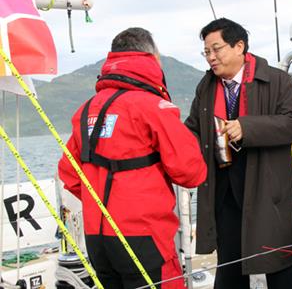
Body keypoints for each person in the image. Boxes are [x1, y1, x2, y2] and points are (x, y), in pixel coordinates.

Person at [58, 27, 207, 289]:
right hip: (145, 236)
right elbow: (191, 173)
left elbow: (70, 175)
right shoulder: (153, 107)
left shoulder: (85, 111)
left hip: (98, 239)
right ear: (151, 56)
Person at [185, 18, 292, 289]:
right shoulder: (206, 87)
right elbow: (192, 129)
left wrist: (247, 127)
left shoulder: (276, 80)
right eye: (207, 52)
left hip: (265, 187)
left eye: (217, 49)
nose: (211, 58)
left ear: (239, 46)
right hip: (224, 189)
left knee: (279, 261)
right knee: (229, 263)